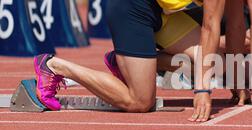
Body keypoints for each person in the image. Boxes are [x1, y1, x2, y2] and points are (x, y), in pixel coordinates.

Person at [33, 0, 227, 122]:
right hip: (132, 7)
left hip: (161, 12)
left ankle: (125, 63)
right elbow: (209, 28)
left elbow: (233, 25)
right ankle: (54, 66)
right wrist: (202, 90)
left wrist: (238, 81)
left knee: (219, 63)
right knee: (140, 102)